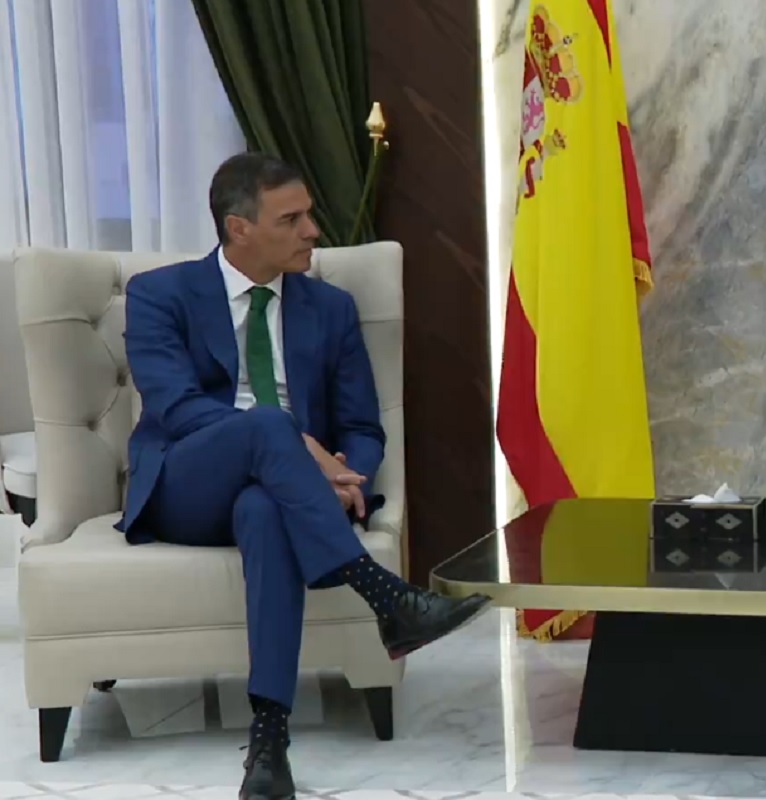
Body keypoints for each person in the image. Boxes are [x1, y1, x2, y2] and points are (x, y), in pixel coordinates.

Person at [118, 152, 491, 800]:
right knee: (267, 424)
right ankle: (387, 598)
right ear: (238, 229)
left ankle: (269, 741)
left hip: (288, 495)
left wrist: (345, 474)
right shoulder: (160, 295)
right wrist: (296, 443)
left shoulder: (331, 309)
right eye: (291, 219)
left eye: (309, 214)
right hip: (186, 486)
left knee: (265, 508)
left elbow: (363, 430)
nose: (313, 231)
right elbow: (174, 409)